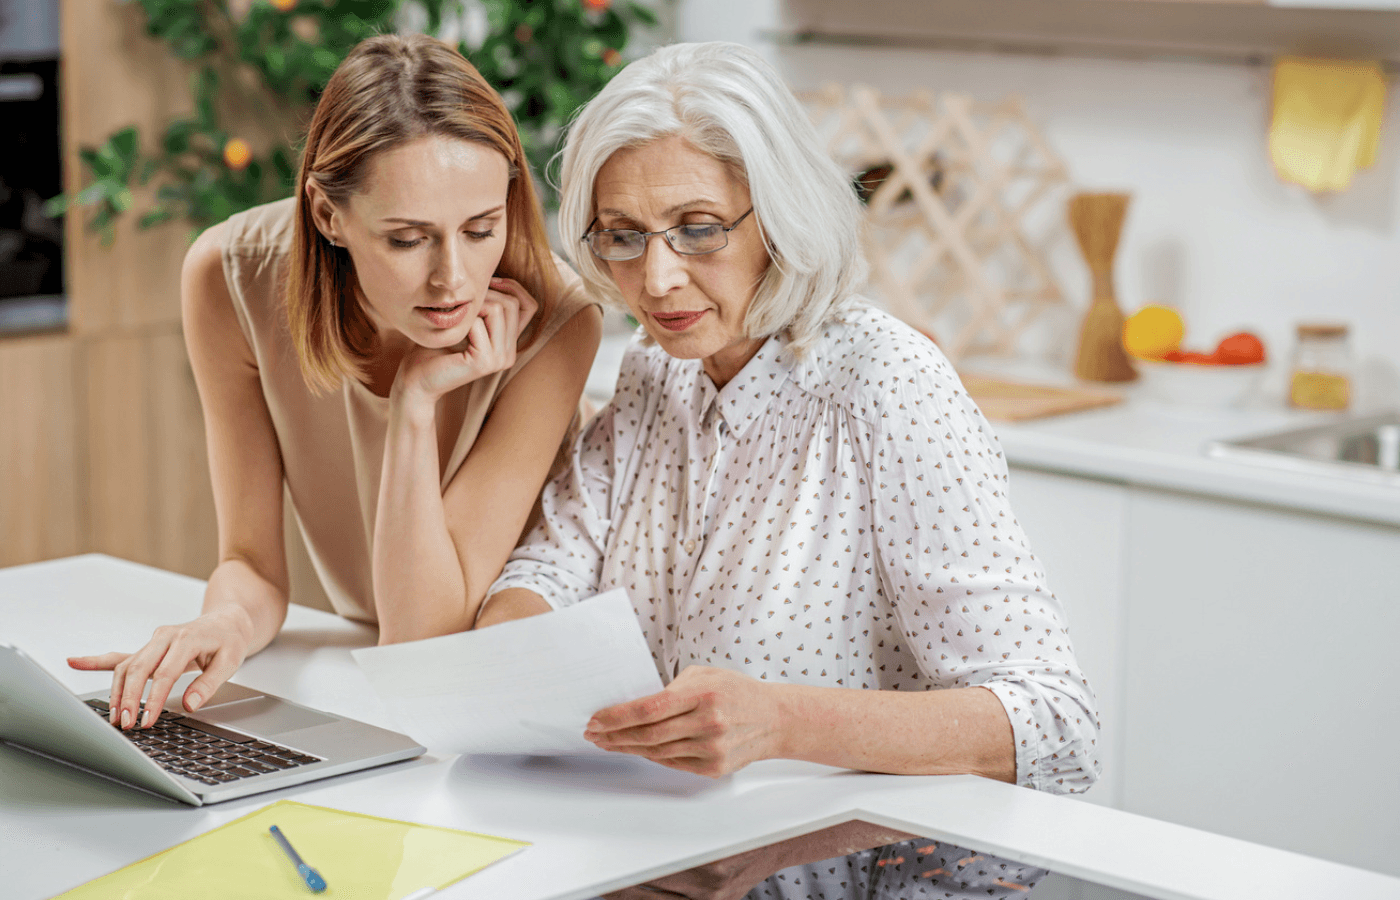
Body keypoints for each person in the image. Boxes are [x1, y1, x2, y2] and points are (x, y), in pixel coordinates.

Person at [481, 42, 1100, 900]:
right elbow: (551, 564)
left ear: (778, 215)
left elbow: (1056, 726)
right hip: (665, 859)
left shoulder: (888, 385)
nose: (656, 279)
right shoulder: (657, 368)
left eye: (699, 228)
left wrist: (781, 720)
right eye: (622, 237)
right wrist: (503, 663)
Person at [67, 33, 601, 732]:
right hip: (379, 679)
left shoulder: (556, 322)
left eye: (481, 228)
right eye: (408, 239)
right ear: (327, 214)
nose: (454, 278)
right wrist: (225, 620)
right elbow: (251, 562)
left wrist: (414, 404)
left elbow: (425, 646)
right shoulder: (232, 280)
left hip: (513, 698)